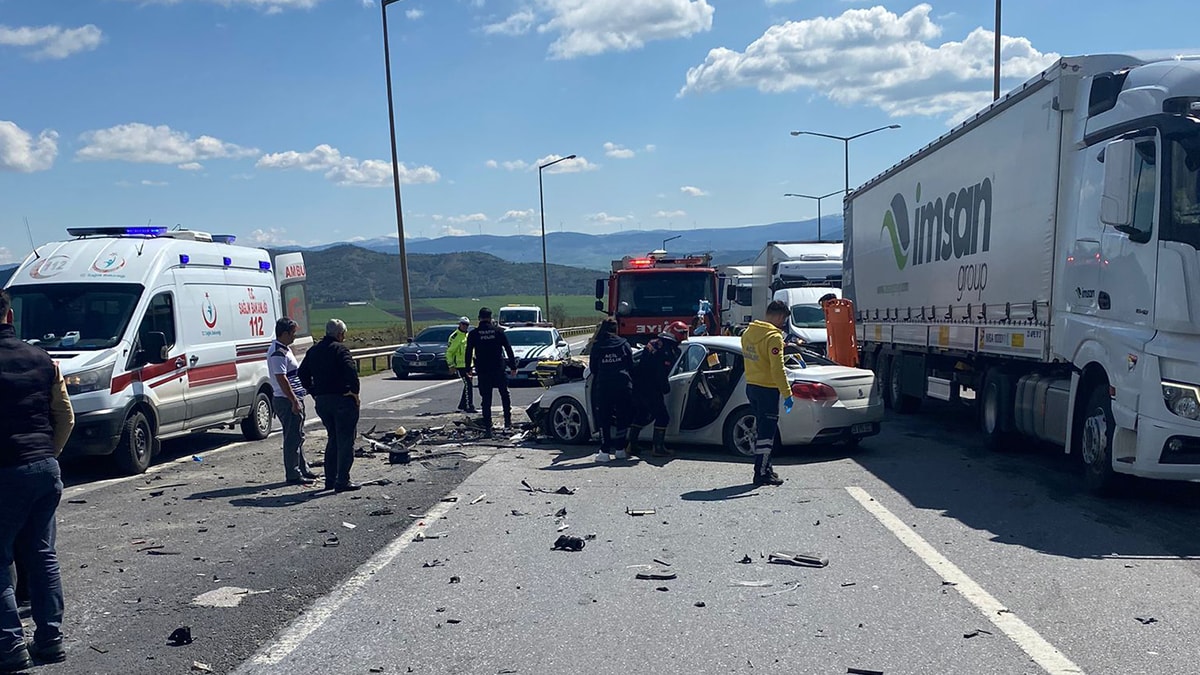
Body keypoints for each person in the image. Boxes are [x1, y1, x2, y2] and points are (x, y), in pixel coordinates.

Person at [0, 288, 74, 670]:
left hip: (5, 471)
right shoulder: (43, 359)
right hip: (44, 468)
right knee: (42, 556)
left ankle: (10, 647)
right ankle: (51, 640)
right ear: (10, 316)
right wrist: (48, 455)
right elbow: (66, 415)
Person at [298, 319, 361, 493]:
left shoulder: (314, 350)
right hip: (342, 399)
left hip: (323, 401)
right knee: (345, 441)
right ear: (340, 334)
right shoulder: (340, 350)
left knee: (333, 439)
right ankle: (343, 480)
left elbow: (302, 373)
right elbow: (351, 371)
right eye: (343, 334)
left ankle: (330, 479)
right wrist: (354, 393)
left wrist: (313, 391)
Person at [740, 300, 793, 487]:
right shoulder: (774, 337)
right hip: (767, 389)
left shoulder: (748, 333)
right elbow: (777, 369)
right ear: (779, 316)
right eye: (783, 319)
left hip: (751, 386)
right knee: (766, 434)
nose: (783, 323)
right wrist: (787, 393)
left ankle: (766, 467)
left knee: (762, 429)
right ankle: (761, 473)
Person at [268, 317, 318, 486]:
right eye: (292, 333)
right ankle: (293, 473)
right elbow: (281, 378)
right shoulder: (278, 353)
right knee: (292, 438)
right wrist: (293, 400)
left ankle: (303, 468)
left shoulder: (285, 349)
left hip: (294, 397)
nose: (294, 336)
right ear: (284, 333)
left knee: (298, 435)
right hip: (286, 400)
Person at [627, 321, 688, 457]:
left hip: (639, 385)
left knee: (642, 414)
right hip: (651, 387)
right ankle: (658, 448)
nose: (685, 337)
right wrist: (665, 387)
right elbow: (660, 371)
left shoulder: (654, 342)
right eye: (683, 333)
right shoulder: (667, 349)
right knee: (662, 417)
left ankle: (632, 445)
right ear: (676, 333)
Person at [464, 308, 516, 437]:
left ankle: (488, 428)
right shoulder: (498, 332)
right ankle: (508, 423)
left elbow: (468, 352)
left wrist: (468, 369)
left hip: (483, 370)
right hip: (498, 368)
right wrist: (513, 366)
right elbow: (508, 349)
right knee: (504, 395)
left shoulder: (474, 334)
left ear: (479, 318)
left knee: (486, 399)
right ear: (491, 318)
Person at [589, 317, 634, 462]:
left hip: (604, 386)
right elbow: (631, 365)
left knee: (604, 418)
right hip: (623, 384)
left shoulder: (597, 346)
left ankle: (605, 451)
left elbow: (593, 369)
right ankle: (620, 449)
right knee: (622, 416)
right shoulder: (624, 344)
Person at [446, 317, 475, 413]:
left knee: (468, 384)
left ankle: (463, 404)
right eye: (463, 324)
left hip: (469, 365)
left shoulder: (468, 335)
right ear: (459, 324)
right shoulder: (455, 336)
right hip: (460, 365)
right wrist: (451, 365)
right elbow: (449, 352)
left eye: (467, 324)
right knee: (468, 384)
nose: (465, 326)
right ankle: (469, 406)